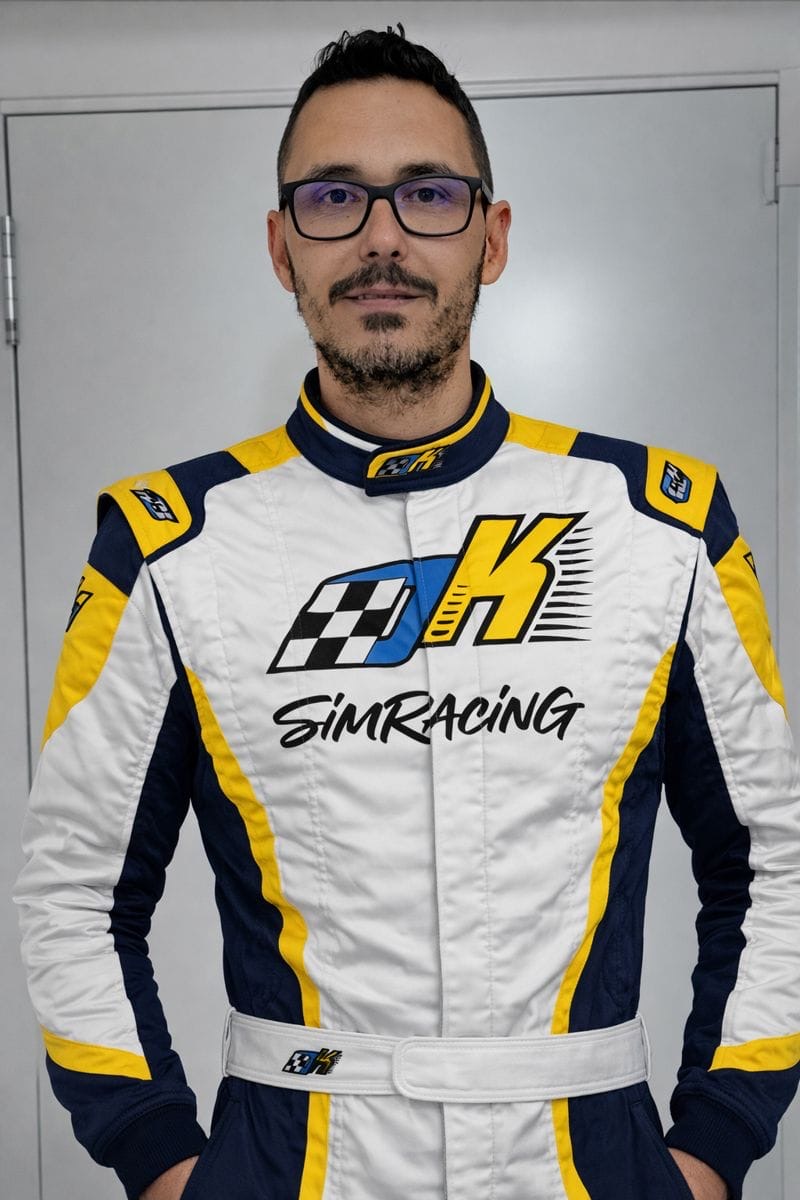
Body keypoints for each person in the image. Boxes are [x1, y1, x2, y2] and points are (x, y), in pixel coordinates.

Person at [15, 25, 800, 1200]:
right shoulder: (170, 543)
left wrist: (715, 1146)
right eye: (333, 196)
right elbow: (76, 888)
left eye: (427, 194)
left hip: (591, 1167)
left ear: (492, 236)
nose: (380, 236)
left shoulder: (657, 522)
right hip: (288, 1164)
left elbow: (773, 861)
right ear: (280, 247)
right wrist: (157, 1157)